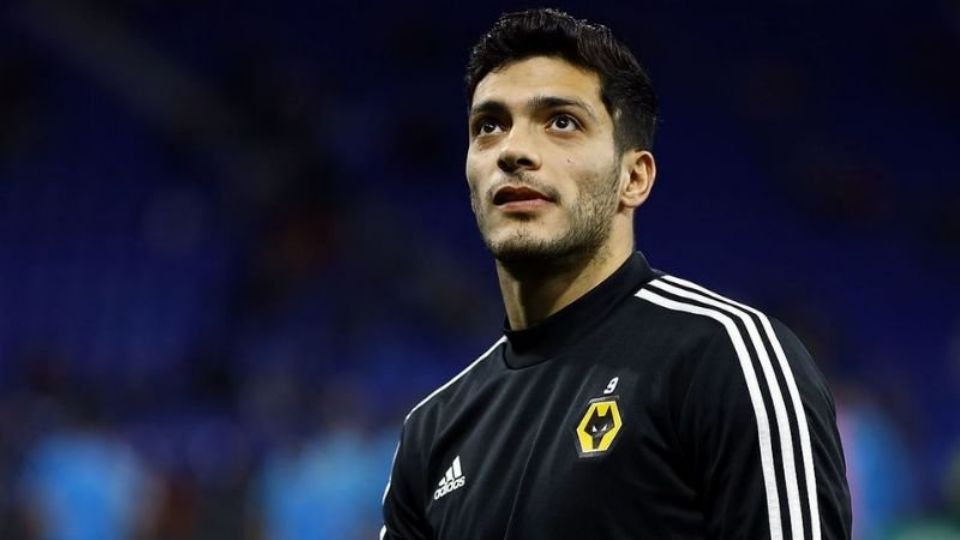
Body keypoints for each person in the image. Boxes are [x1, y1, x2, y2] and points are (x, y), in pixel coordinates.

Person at [380, 8, 851, 539]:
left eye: (561, 122)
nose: (513, 150)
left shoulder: (725, 359)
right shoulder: (432, 431)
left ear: (634, 178)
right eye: (489, 126)